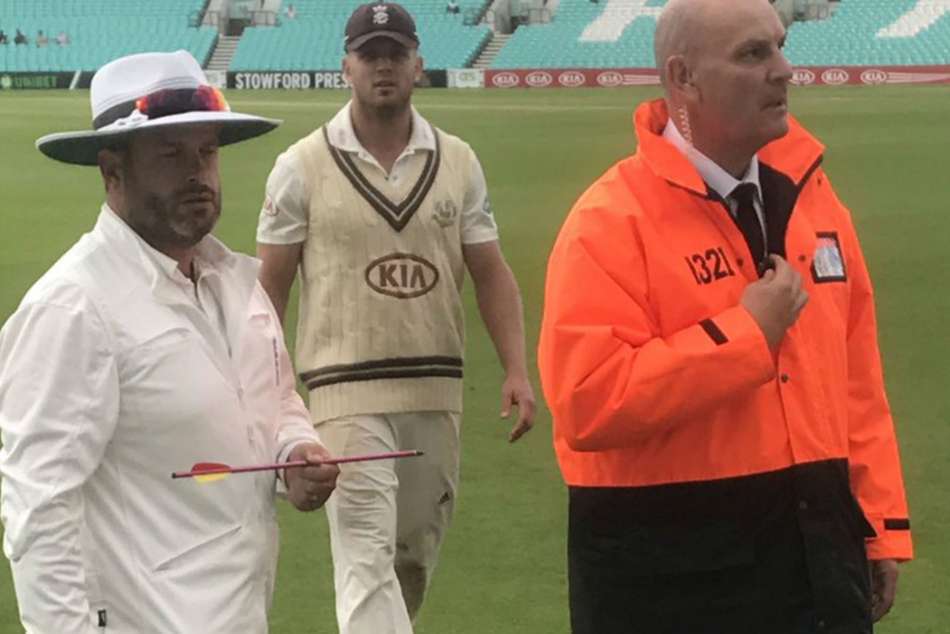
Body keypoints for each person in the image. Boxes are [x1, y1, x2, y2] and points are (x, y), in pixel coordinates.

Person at [537, 0, 912, 633]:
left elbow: (855, 380)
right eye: (752, 54)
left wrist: (878, 526)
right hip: (672, 581)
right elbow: (587, 401)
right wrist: (745, 336)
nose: (784, 69)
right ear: (684, 78)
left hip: (819, 563)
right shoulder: (608, 223)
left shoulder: (814, 203)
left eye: (780, 45)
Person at [0, 50, 339, 633]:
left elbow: (273, 398)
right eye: (170, 153)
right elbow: (37, 510)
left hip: (239, 612)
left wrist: (292, 454)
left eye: (206, 151)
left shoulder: (235, 283)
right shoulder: (75, 307)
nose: (198, 173)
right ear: (113, 171)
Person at [256, 3, 536, 632]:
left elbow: (491, 271)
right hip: (343, 393)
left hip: (435, 393)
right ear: (345, 68)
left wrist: (517, 368)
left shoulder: (458, 161)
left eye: (395, 53)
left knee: (408, 565)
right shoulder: (300, 166)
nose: (382, 65)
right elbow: (267, 290)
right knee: (364, 563)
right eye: (369, 54)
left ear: (418, 64)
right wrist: (269, 394)